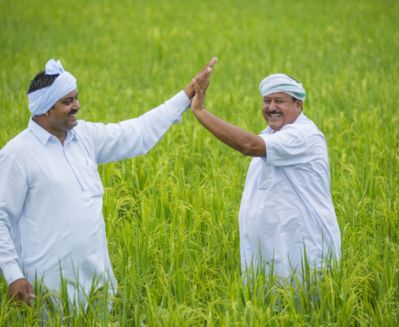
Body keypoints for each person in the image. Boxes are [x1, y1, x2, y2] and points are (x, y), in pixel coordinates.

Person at [0, 58, 216, 306]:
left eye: (76, 98)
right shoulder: (17, 155)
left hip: (97, 287)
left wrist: (187, 94)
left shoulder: (84, 136)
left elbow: (138, 132)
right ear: (46, 109)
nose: (77, 106)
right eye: (67, 101)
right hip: (48, 292)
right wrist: (13, 276)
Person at [191, 62, 341, 283]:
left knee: (306, 310)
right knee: (268, 310)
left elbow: (249, 146)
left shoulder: (302, 135)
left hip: (303, 248)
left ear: (298, 105)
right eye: (267, 101)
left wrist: (201, 111)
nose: (271, 107)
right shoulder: (271, 134)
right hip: (275, 248)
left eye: (279, 101)